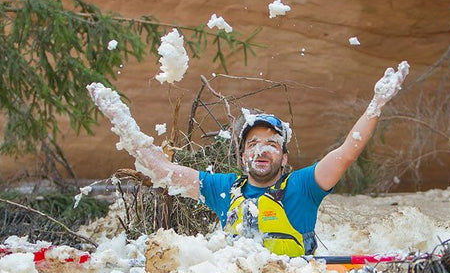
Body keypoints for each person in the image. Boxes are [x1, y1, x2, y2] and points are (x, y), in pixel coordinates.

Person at [88, 61, 409, 256]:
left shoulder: (303, 187)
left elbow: (345, 154)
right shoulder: (224, 189)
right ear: (242, 155)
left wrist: (377, 103)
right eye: (253, 143)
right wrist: (120, 119)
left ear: (284, 158)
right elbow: (163, 171)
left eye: (271, 143)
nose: (261, 149)